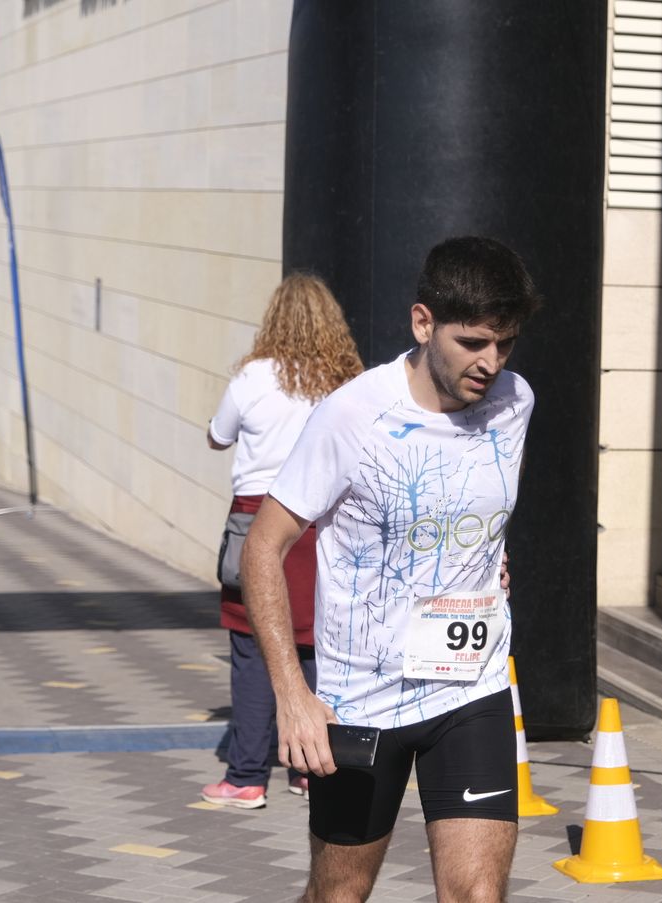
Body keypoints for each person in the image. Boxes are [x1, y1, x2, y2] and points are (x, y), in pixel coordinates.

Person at [241, 236, 540, 902]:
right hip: (361, 702)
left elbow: (472, 508)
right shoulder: (352, 415)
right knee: (340, 894)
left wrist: (487, 560)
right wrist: (292, 696)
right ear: (422, 322)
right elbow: (262, 546)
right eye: (472, 342)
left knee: (477, 894)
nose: (490, 363)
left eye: (505, 343)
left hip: (471, 686)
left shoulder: (514, 402)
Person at [201, 274, 364, 809]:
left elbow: (218, 435)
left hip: (256, 523)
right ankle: (310, 768)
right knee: (316, 645)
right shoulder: (344, 379)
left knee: (251, 649)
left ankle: (247, 775)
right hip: (322, 525)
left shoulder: (252, 377)